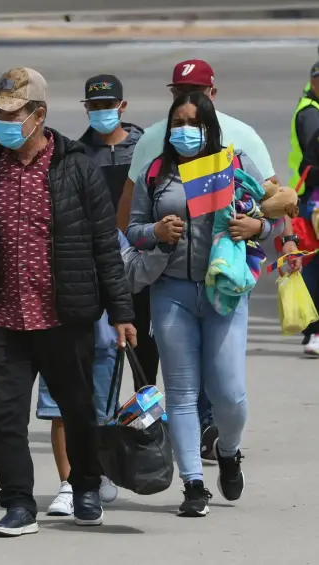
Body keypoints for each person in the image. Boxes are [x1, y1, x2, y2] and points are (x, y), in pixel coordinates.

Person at [0, 67, 136, 537]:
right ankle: (17, 504)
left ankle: (86, 486)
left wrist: (122, 311)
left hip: (63, 316)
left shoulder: (77, 166)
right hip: (5, 317)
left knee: (78, 410)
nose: (5, 121)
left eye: (15, 113)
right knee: (4, 417)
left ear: (39, 115)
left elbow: (104, 245)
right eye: (0, 112)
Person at [116, 58, 300, 461]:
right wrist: (150, 240)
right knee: (179, 380)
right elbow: (128, 215)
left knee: (224, 385)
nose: (185, 107)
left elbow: (273, 202)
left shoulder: (242, 139)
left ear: (213, 95)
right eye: (179, 94)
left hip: (224, 281)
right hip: (167, 277)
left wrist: (278, 239)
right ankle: (194, 471)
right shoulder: (153, 141)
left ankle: (218, 438)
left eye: (195, 94)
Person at [127, 92, 283, 518]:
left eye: (193, 122)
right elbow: (134, 230)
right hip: (171, 290)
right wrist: (156, 231)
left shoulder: (236, 165)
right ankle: (193, 484)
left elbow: (277, 223)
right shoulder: (155, 173)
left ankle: (229, 451)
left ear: (209, 126)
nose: (183, 130)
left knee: (229, 394)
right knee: (180, 392)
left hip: (225, 292)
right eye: (177, 121)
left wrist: (259, 225)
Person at [36, 73, 143, 515]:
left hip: (122, 272)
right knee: (60, 391)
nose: (101, 112)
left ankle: (98, 467)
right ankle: (71, 481)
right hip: (73, 285)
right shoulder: (75, 156)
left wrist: (122, 307)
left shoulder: (144, 150)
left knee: (107, 378)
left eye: (109, 104)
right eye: (93, 105)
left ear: (123, 105)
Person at [288, 61, 319, 355]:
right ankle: (314, 330)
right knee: (312, 263)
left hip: (309, 197)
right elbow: (311, 161)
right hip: (312, 198)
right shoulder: (311, 113)